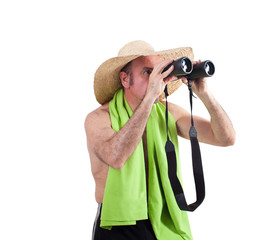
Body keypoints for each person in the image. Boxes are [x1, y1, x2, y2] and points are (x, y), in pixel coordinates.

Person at [85, 40, 236, 240]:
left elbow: (226, 138)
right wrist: (149, 98)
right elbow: (116, 158)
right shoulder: (98, 118)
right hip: (118, 224)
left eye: (159, 71)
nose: (157, 79)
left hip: (164, 218)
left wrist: (205, 94)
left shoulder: (168, 112)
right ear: (125, 79)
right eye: (148, 72)